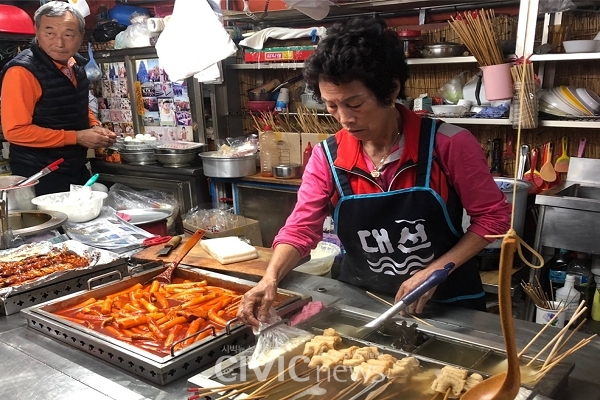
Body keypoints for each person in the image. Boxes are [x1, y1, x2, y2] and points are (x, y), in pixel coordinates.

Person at [237, 16, 511, 327]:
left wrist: (439, 268)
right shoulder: (328, 156)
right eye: (331, 106)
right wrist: (269, 278)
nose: (344, 119)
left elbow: (494, 218)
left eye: (355, 104)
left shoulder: (449, 145)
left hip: (449, 306)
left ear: (391, 90)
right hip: (365, 305)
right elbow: (301, 230)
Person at [0, 1, 116, 196]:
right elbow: (16, 131)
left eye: (68, 35)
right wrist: (77, 137)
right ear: (37, 33)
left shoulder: (75, 65)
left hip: (73, 166)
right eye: (50, 33)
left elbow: (76, 103)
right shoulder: (21, 71)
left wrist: (94, 127)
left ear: (81, 36)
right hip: (40, 173)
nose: (59, 43)